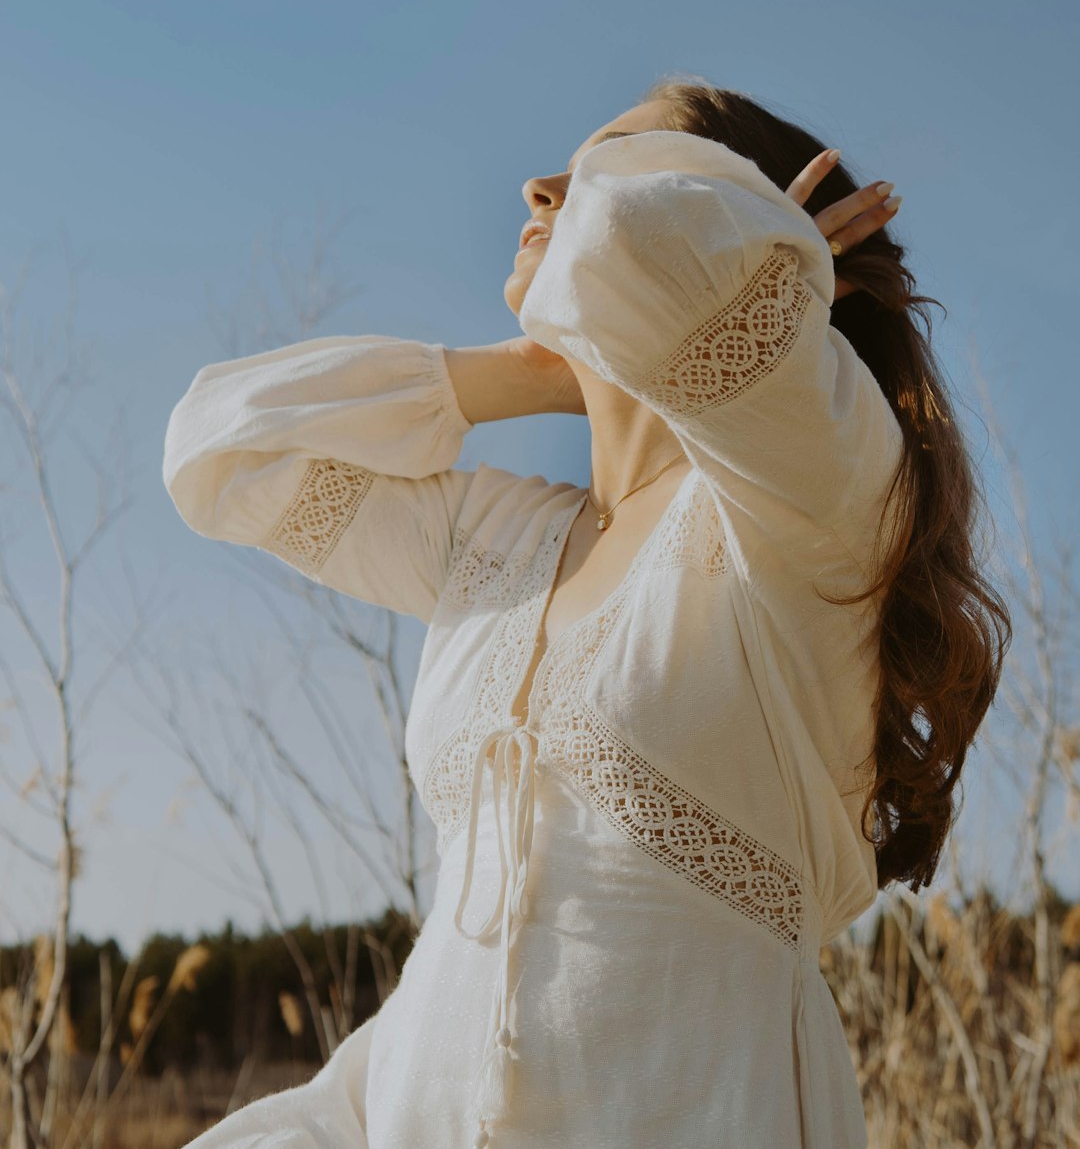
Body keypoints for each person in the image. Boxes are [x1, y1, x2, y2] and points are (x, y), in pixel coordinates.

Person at [163, 78, 1010, 1148]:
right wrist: (525, 373)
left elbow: (636, 246)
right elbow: (218, 452)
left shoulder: (817, 511)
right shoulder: (499, 540)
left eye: (612, 161)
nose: (544, 185)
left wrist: (739, 275)